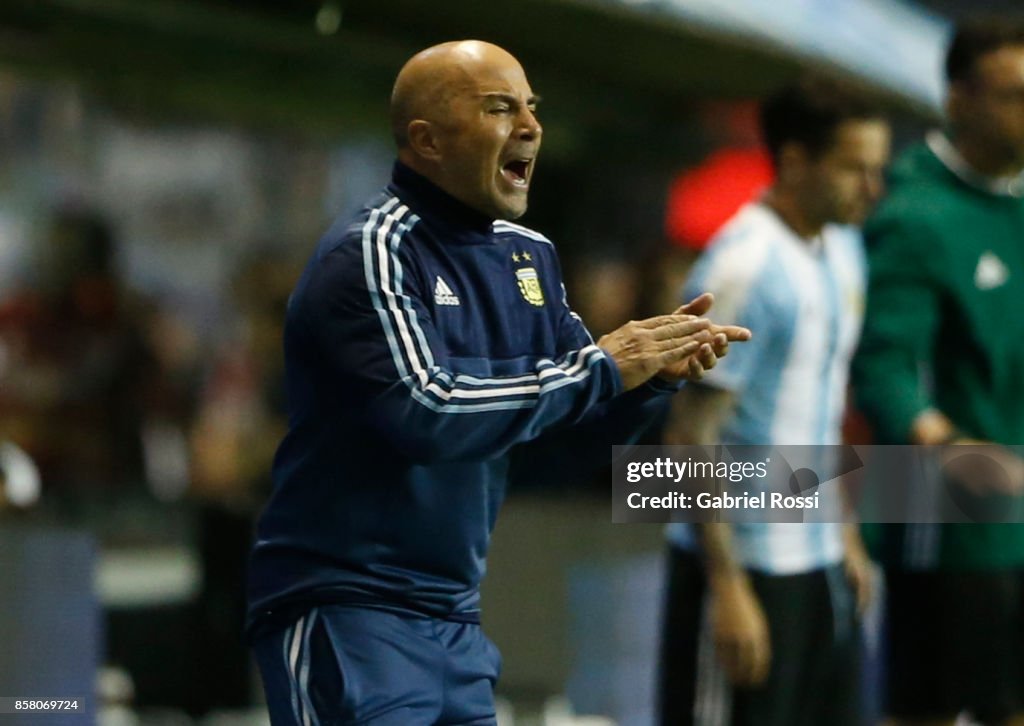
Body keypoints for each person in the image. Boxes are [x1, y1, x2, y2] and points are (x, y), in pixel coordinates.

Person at [246, 40, 750, 725]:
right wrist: (603, 368)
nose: (531, 126)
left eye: (532, 108)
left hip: (455, 619)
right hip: (348, 608)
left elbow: (565, 433)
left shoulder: (529, 257)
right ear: (425, 139)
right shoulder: (374, 249)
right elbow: (428, 409)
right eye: (499, 107)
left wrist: (646, 382)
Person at [658, 77, 891, 726]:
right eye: (854, 169)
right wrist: (727, 586)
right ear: (793, 161)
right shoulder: (743, 267)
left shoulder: (843, 247)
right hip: (744, 567)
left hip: (815, 558)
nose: (872, 188)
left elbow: (820, 404)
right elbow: (684, 437)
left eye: (878, 169)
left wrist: (843, 534)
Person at [852, 19, 1024, 726]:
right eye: (1013, 95)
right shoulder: (914, 212)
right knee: (936, 709)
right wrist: (929, 432)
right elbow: (884, 356)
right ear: (959, 100)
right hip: (956, 513)